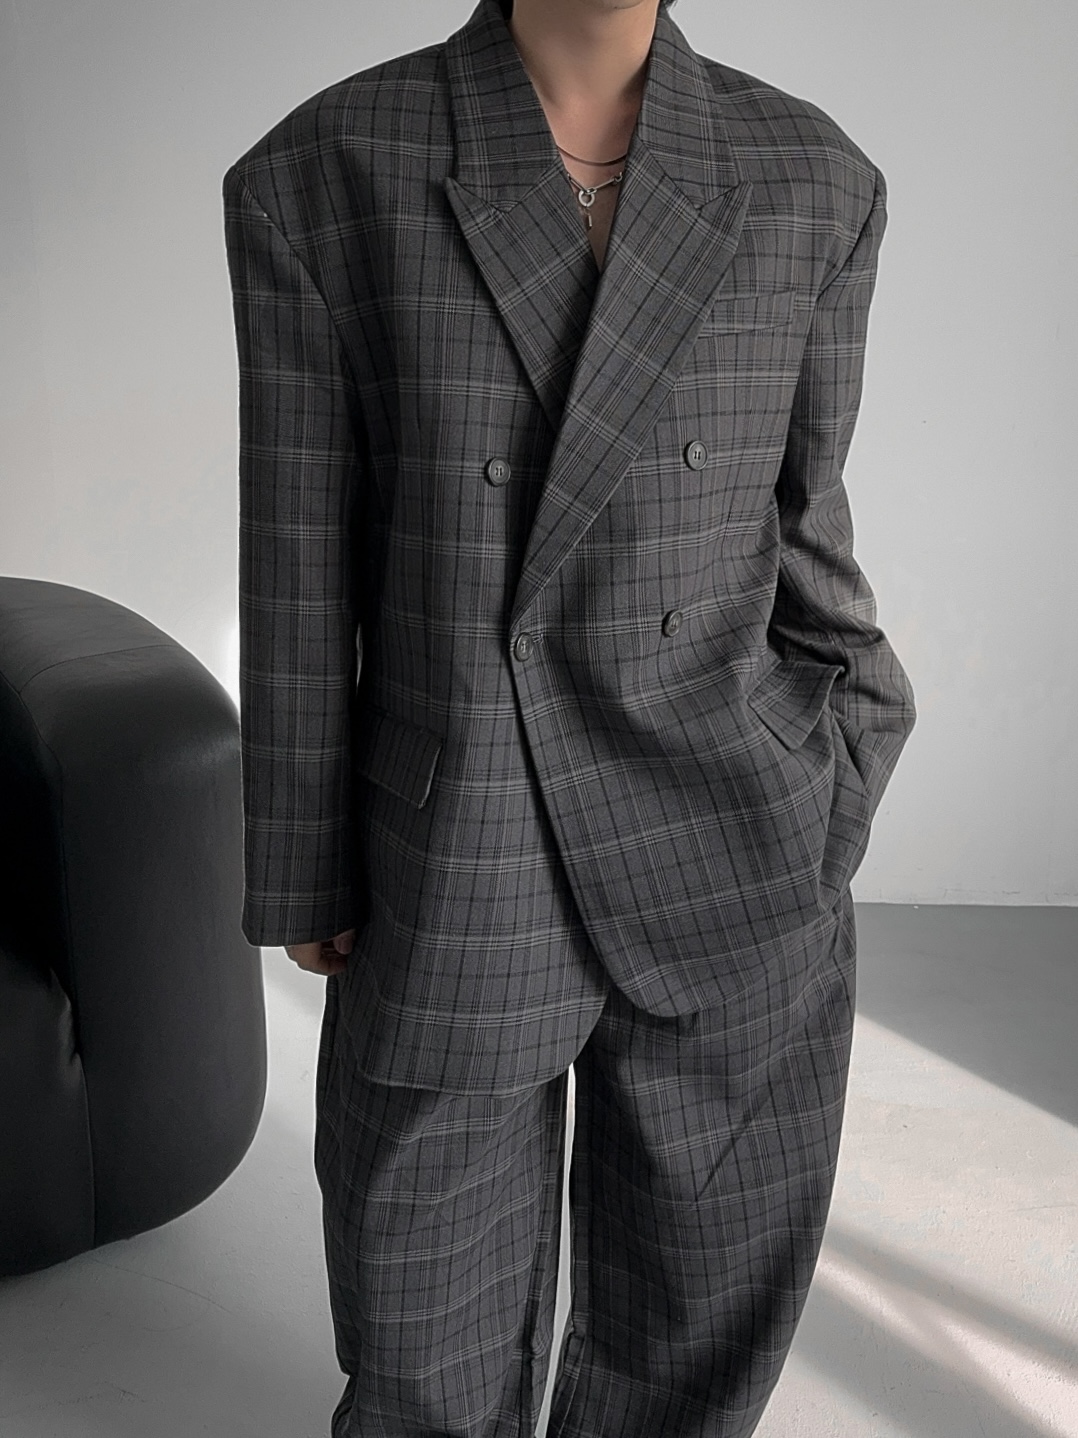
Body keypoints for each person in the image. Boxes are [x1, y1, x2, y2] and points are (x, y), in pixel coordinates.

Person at [222, 0, 916, 1433]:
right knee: (422, 1308)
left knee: (704, 1294)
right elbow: (299, 554)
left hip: (732, 806)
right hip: (463, 828)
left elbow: (806, 525)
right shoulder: (325, 170)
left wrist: (848, 751)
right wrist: (304, 862)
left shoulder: (811, 176)